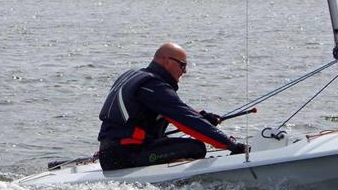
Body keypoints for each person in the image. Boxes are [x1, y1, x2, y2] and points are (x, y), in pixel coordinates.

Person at [97, 42, 247, 171]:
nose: (185, 71)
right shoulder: (154, 86)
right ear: (166, 61)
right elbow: (186, 120)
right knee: (196, 148)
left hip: (109, 155)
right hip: (128, 156)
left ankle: (166, 165)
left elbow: (177, 109)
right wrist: (230, 145)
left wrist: (203, 116)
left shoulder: (135, 76)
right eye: (182, 65)